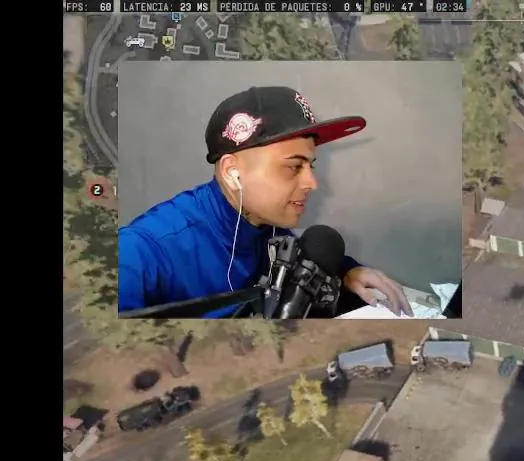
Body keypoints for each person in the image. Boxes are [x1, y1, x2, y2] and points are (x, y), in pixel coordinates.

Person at [118, 86, 410, 318]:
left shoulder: (265, 226)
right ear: (233, 172)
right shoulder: (142, 250)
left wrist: (347, 272)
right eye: (294, 166)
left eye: (310, 166)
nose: (312, 183)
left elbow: (301, 256)